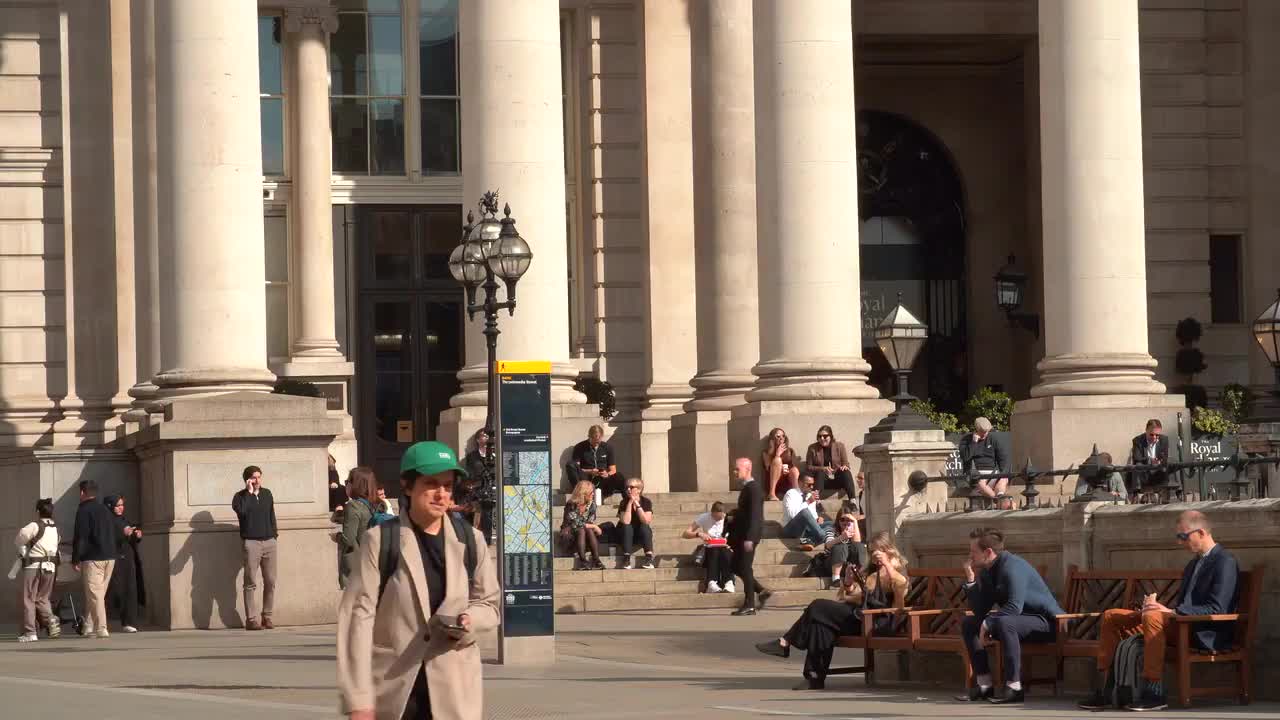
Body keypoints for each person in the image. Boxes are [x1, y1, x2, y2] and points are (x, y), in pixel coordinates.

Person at [338, 441, 498, 720]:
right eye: (431, 484)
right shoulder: (381, 540)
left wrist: (469, 620)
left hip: (454, 694)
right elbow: (357, 619)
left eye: (447, 486)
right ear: (408, 485)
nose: (441, 494)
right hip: (396, 692)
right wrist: (359, 700)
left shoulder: (471, 540)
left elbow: (490, 604)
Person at [1078, 510, 1239, 712]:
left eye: (1183, 536)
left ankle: (1154, 693)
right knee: (1112, 616)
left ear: (1201, 532)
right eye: (1178, 537)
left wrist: (1171, 612)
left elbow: (1218, 608)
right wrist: (1152, 607)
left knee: (1153, 617)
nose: (1180, 542)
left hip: (1203, 631)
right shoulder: (1193, 564)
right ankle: (1108, 689)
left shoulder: (1225, 562)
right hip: (1180, 625)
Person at [755, 531, 908, 689]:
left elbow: (900, 601)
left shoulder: (898, 571)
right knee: (820, 626)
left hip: (875, 622)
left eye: (878, 550)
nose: (874, 555)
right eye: (871, 551)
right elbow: (852, 597)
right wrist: (848, 583)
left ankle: (785, 642)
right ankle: (814, 678)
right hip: (857, 616)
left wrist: (888, 566)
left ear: (888, 550)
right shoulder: (871, 571)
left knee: (818, 606)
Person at [956, 527, 1065, 705]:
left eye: (973, 551)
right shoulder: (988, 570)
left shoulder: (1012, 567)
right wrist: (970, 579)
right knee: (970, 623)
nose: (970, 555)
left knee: (1005, 623)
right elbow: (980, 610)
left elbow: (1014, 606)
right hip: (1017, 622)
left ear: (988, 552)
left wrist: (988, 624)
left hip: (1050, 624)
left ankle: (1014, 687)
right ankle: (984, 685)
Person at [232, 465, 278, 631]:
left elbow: (271, 515)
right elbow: (243, 512)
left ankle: (267, 616)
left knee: (270, 581)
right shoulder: (239, 497)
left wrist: (274, 535)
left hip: (269, 542)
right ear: (247, 480)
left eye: (259, 477)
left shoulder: (267, 494)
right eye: (253, 477)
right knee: (250, 581)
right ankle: (251, 619)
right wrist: (249, 493)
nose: (257, 480)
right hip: (251, 543)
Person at [72, 479, 118, 639]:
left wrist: (76, 558)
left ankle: (101, 627)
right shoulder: (104, 509)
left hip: (93, 557)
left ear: (82, 493)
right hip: (110, 556)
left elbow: (81, 536)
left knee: (95, 595)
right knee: (98, 594)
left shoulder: (83, 510)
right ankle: (88, 625)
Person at [729, 458, 771, 615]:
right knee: (735, 566)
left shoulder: (754, 488)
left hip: (748, 536)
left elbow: (755, 516)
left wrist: (750, 538)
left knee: (745, 567)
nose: (734, 472)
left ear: (747, 469)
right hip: (742, 535)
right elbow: (745, 512)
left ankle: (750, 604)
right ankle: (760, 591)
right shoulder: (747, 488)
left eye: (737, 469)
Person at [14, 498, 59, 642]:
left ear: (38, 511)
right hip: (50, 567)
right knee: (43, 598)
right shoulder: (54, 528)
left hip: (34, 567)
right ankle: (51, 620)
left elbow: (20, 537)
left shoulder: (35, 525)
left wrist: (22, 548)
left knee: (29, 599)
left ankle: (30, 632)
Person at [103, 495, 145, 633]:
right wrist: (122, 533)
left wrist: (136, 535)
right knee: (114, 591)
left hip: (127, 559)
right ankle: (98, 622)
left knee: (129, 589)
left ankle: (129, 622)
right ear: (110, 506)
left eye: (122, 505)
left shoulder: (123, 519)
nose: (121, 508)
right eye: (118, 505)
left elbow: (130, 538)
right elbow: (106, 537)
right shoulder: (107, 520)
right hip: (114, 559)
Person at [566, 425, 627, 504]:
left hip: (602, 481)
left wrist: (607, 474)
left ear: (602, 437)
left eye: (598, 442)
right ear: (589, 437)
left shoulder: (608, 447)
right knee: (570, 464)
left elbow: (613, 470)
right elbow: (577, 468)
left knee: (619, 476)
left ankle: (627, 501)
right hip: (586, 479)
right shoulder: (580, 447)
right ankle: (580, 493)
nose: (596, 444)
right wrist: (590, 471)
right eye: (594, 441)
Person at [338, 468, 378, 588]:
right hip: (373, 562)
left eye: (347, 482)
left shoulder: (353, 506)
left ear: (356, 485)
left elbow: (349, 539)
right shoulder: (377, 505)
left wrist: (337, 537)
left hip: (357, 567)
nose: (346, 485)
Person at [682, 501, 733, 593]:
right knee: (714, 550)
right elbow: (685, 534)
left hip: (725, 549)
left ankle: (729, 582)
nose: (717, 520)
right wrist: (699, 534)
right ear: (711, 513)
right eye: (715, 517)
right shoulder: (704, 517)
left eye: (720, 518)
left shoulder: (728, 519)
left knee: (725, 550)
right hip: (709, 549)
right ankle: (712, 582)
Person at [957, 417, 1011, 503]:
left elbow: (1002, 459)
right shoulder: (966, 440)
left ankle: (1000, 495)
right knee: (979, 481)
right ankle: (996, 499)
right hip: (976, 475)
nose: (985, 434)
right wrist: (974, 442)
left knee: (1004, 478)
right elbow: (965, 457)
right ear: (976, 430)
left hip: (993, 474)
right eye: (982, 431)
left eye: (987, 432)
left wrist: (1002, 474)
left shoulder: (993, 439)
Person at [460, 428, 496, 542]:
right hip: (478, 489)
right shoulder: (472, 456)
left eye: (487, 436)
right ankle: (480, 537)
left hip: (493, 489)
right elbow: (469, 473)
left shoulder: (496, 454)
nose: (486, 438)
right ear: (477, 439)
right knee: (479, 513)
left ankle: (491, 536)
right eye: (483, 436)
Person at [560, 480, 606, 570]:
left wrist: (591, 526)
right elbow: (574, 523)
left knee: (587, 530)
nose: (593, 494)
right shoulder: (571, 504)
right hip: (570, 536)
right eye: (591, 492)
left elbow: (590, 521)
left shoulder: (592, 505)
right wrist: (594, 526)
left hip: (585, 536)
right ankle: (583, 561)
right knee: (581, 530)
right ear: (584, 494)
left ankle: (596, 560)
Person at [803, 426, 857, 500]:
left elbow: (846, 464)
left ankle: (852, 500)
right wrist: (823, 469)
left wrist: (845, 466)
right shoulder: (812, 448)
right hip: (821, 482)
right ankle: (817, 501)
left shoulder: (839, 446)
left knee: (846, 472)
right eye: (819, 436)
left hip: (837, 479)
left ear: (831, 436)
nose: (822, 438)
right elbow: (808, 467)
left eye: (825, 436)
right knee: (820, 473)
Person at [781, 475, 831, 550]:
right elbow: (793, 514)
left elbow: (812, 515)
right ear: (800, 483)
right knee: (804, 512)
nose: (812, 487)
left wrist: (817, 519)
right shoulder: (791, 494)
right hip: (790, 528)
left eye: (813, 484)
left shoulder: (810, 495)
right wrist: (808, 502)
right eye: (809, 485)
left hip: (806, 530)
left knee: (830, 523)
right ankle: (822, 536)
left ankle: (810, 541)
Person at [617, 478, 656, 570]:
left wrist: (637, 504)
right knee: (627, 527)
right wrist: (630, 502)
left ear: (639, 489)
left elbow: (646, 521)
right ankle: (626, 559)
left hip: (639, 534)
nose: (628, 489)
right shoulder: (624, 502)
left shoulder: (646, 502)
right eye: (626, 487)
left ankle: (648, 558)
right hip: (625, 534)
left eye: (631, 487)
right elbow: (626, 521)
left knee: (644, 526)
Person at [822, 511, 864, 588]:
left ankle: (859, 574)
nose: (845, 522)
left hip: (848, 566)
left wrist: (855, 522)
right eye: (842, 519)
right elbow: (828, 545)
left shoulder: (854, 530)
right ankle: (835, 579)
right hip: (832, 563)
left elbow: (857, 545)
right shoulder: (831, 530)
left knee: (859, 546)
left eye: (848, 520)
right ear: (838, 520)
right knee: (841, 546)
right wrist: (841, 538)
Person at [1129, 418, 1170, 497]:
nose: (1154, 437)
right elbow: (1137, 458)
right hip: (1144, 469)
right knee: (1138, 465)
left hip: (1159, 469)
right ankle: (1137, 493)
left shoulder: (1164, 440)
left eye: (1157, 435)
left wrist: (1160, 461)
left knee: (1170, 464)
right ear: (1146, 431)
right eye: (1151, 434)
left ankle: (1171, 492)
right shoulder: (1137, 440)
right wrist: (1150, 461)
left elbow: (1165, 457)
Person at [761, 427, 801, 501]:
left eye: (783, 436)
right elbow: (767, 467)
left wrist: (787, 470)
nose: (781, 438)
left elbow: (794, 467)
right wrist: (777, 454)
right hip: (773, 482)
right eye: (778, 436)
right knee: (777, 460)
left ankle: (797, 493)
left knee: (794, 470)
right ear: (772, 439)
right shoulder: (766, 453)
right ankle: (771, 494)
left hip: (786, 481)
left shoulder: (790, 451)